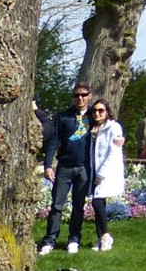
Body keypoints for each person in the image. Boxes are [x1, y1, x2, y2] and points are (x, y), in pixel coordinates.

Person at [38, 84, 95, 255]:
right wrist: (48, 165)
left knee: (78, 206)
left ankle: (74, 239)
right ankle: (50, 240)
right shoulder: (63, 116)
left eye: (83, 95)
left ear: (89, 96)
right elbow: (53, 142)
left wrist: (120, 138)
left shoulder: (95, 116)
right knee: (56, 205)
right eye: (77, 95)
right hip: (64, 167)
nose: (80, 98)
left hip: (84, 168)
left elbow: (111, 130)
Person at [88, 99, 125, 252]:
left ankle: (105, 235)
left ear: (107, 111)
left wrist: (101, 174)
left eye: (101, 110)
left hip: (106, 171)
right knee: (98, 203)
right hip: (94, 169)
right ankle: (101, 237)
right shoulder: (93, 128)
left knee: (97, 202)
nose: (97, 113)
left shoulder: (113, 127)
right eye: (95, 111)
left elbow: (113, 151)